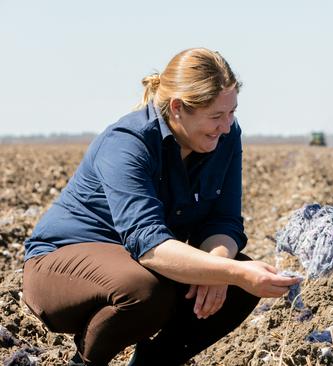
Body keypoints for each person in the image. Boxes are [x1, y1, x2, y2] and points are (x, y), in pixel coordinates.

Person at [22, 48, 300, 366]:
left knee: (237, 288)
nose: (226, 126)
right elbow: (148, 244)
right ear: (178, 108)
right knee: (145, 290)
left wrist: (222, 268)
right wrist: (231, 271)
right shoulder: (128, 142)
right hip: (60, 268)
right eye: (215, 116)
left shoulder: (224, 137)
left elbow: (224, 220)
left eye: (232, 112)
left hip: (133, 265)